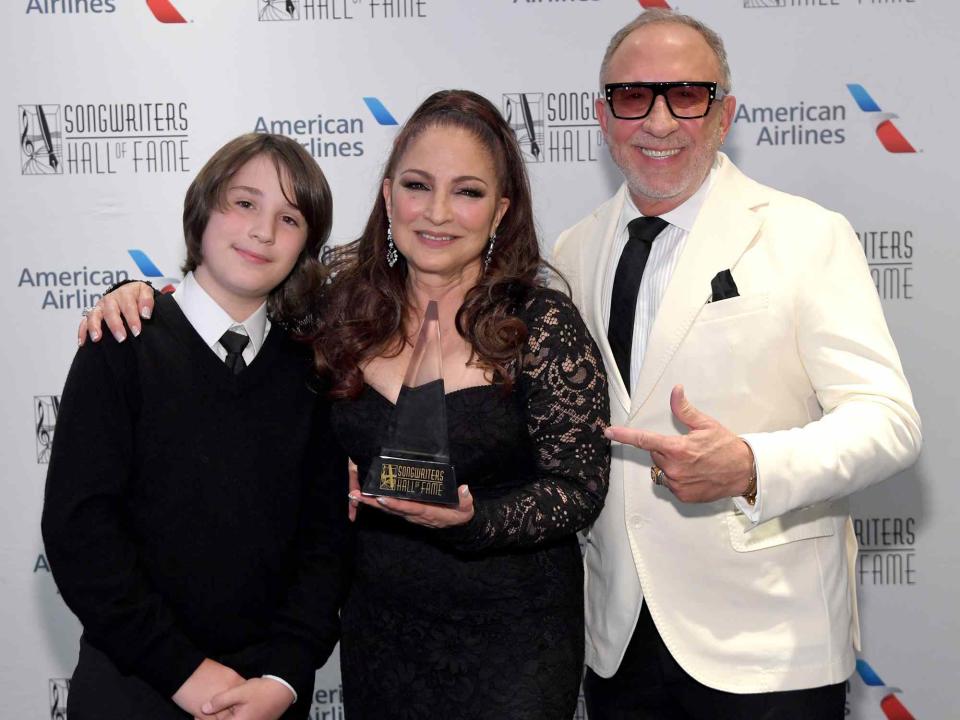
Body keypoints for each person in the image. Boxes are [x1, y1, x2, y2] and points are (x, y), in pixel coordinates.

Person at [78, 90, 611, 719]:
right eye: (418, 185)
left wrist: (473, 521)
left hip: (514, 636)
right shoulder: (338, 311)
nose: (437, 212)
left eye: (466, 192)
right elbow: (232, 305)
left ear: (500, 211)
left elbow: (578, 487)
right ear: (388, 196)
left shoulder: (541, 324)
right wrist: (136, 295)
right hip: (378, 628)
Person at [551, 9, 922, 720]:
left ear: (725, 115)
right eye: (634, 96)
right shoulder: (572, 251)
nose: (659, 121)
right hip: (618, 642)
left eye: (687, 94)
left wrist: (753, 464)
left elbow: (889, 423)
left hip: (770, 649)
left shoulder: (806, 236)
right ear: (602, 115)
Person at [43, 133, 350, 720]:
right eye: (245, 203)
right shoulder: (123, 342)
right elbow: (80, 531)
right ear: (204, 206)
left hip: (265, 698)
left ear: (307, 244)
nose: (263, 231)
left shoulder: (313, 372)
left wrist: (284, 676)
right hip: (133, 687)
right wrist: (182, 672)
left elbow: (327, 545)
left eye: (289, 218)